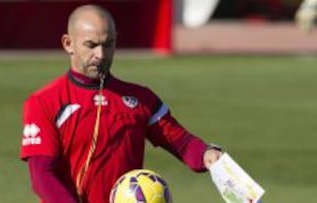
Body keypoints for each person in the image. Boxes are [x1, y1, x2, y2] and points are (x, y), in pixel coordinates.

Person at [20, 4, 223, 203]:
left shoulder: (141, 99)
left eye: (108, 44)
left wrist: (207, 154)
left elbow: (182, 143)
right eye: (91, 45)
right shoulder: (44, 102)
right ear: (68, 44)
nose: (100, 55)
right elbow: (42, 176)